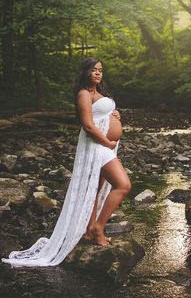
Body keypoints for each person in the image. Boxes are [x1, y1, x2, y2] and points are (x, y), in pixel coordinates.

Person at [1, 57, 131, 267]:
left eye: (100, 70)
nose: (98, 73)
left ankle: (89, 231)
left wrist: (115, 114)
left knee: (94, 190)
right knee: (123, 185)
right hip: (98, 147)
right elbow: (88, 126)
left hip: (106, 146)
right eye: (94, 70)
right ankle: (99, 228)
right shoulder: (83, 94)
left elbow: (102, 114)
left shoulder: (99, 93)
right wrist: (107, 141)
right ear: (86, 72)